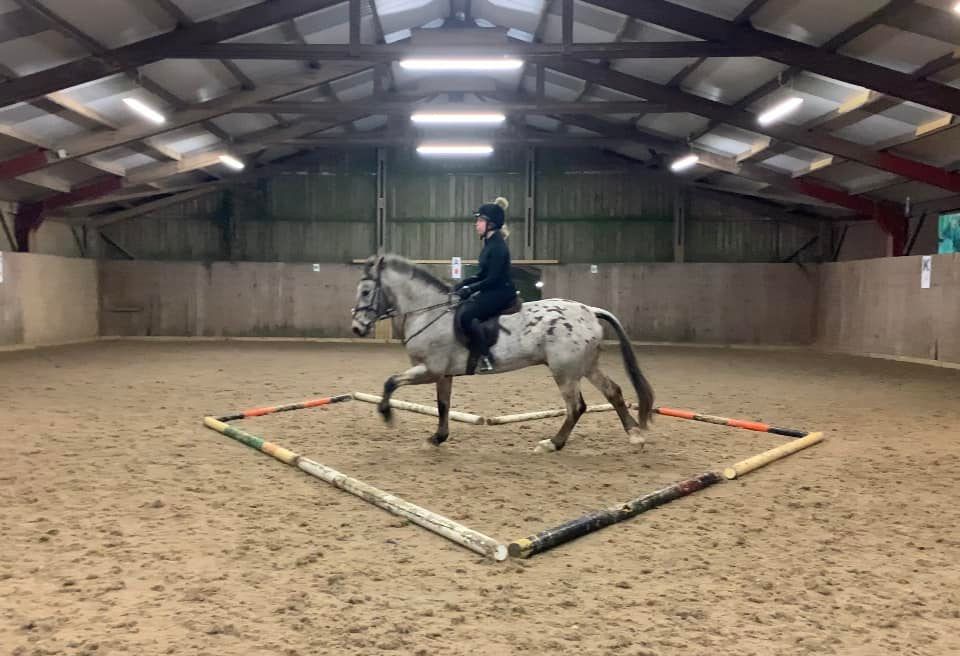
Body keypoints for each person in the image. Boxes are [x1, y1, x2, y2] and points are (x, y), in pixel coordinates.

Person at [453, 197, 516, 374]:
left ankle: (486, 356)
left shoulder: (498, 247)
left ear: (492, 224)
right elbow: (482, 274)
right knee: (463, 307)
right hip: (493, 288)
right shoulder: (489, 243)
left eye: (480, 221)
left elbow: (493, 278)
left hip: (501, 292)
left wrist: (470, 289)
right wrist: (463, 283)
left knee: (466, 316)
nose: (476, 224)